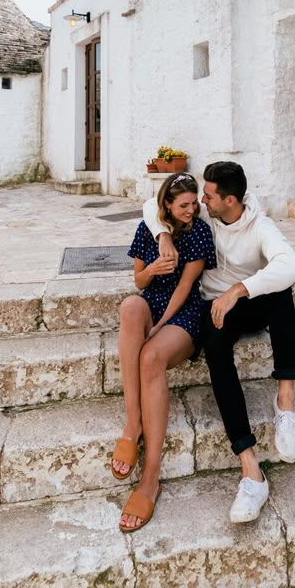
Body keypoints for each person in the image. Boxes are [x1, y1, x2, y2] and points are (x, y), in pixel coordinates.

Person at [143, 160, 295, 523]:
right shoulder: (202, 218)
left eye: (209, 196)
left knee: (282, 293)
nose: (201, 201)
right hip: (215, 308)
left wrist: (240, 289)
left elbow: (290, 265)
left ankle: (286, 403)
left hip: (248, 301)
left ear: (230, 200)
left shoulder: (260, 225)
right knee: (214, 346)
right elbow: (151, 205)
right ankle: (250, 470)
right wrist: (163, 235)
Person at [112, 172, 215, 532]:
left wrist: (157, 328)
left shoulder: (200, 232)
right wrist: (153, 268)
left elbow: (186, 288)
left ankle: (150, 477)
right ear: (167, 206)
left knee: (151, 356)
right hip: (151, 300)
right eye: (184, 205)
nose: (193, 209)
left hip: (183, 311)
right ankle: (132, 425)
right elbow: (138, 281)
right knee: (129, 307)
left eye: (195, 202)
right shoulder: (150, 230)